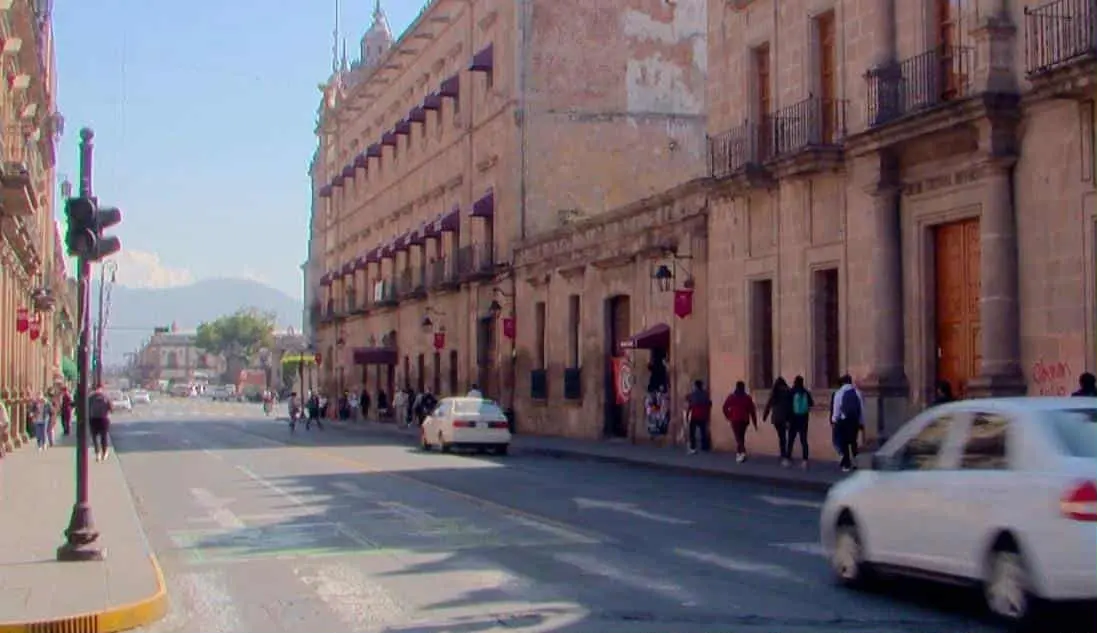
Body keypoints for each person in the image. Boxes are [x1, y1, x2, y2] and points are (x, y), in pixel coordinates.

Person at [830, 374, 864, 472]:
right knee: (853, 441)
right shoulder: (857, 392)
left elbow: (836, 409)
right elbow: (861, 408)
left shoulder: (839, 393)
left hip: (843, 421)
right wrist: (861, 422)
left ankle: (846, 464)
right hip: (854, 421)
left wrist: (834, 420)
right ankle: (856, 462)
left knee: (844, 443)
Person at [721, 381, 757, 463]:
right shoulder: (747, 398)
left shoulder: (732, 397)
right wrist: (755, 423)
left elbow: (724, 407)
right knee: (741, 436)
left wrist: (729, 416)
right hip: (744, 420)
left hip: (735, 419)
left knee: (738, 437)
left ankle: (742, 452)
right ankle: (739, 453)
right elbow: (752, 411)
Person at [762, 377, 794, 467]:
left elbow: (768, 405)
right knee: (785, 437)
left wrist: (765, 416)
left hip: (776, 419)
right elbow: (790, 407)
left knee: (781, 437)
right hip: (785, 418)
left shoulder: (774, 393)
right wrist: (790, 419)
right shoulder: (788, 392)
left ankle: (783, 454)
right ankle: (785, 455)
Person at [788, 375, 814, 469]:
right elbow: (811, 403)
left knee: (791, 439)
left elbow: (788, 406)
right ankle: (805, 461)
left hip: (793, 419)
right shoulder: (805, 392)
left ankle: (788, 459)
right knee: (804, 440)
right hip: (804, 419)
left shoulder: (792, 391)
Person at [685, 380, 713, 455]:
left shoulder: (693, 394)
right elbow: (709, 403)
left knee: (692, 432)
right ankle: (704, 446)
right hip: (703, 415)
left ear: (696, 386)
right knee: (703, 431)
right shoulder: (705, 394)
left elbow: (689, 402)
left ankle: (693, 447)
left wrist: (687, 415)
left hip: (695, 415)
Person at [88, 384, 113, 462]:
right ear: (102, 388)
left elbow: (87, 407)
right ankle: (104, 453)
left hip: (93, 419)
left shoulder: (90, 397)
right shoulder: (106, 396)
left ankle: (97, 453)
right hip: (103, 419)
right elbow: (111, 409)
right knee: (104, 437)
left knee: (94, 437)